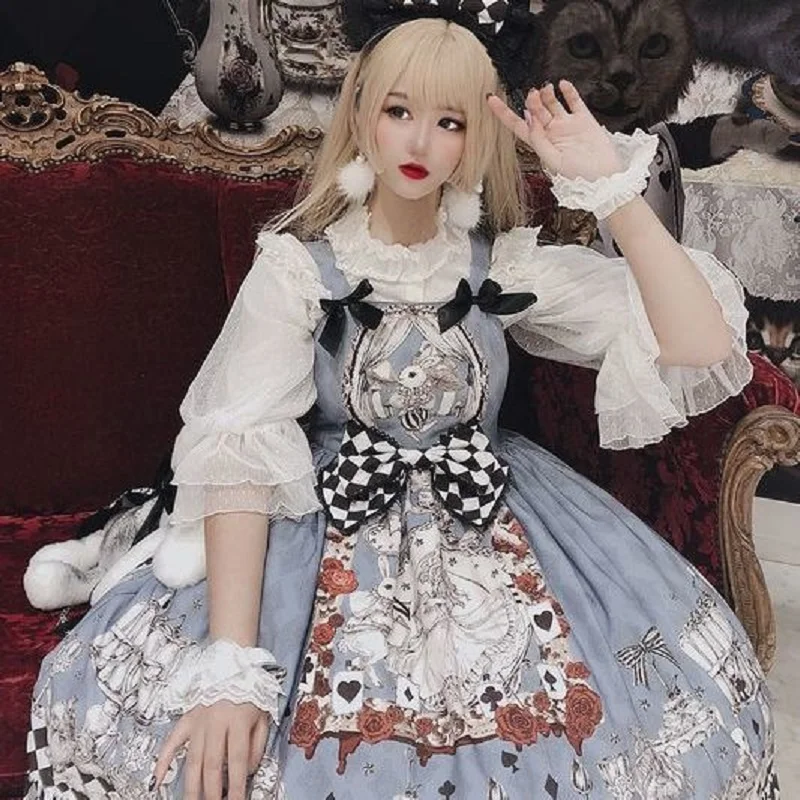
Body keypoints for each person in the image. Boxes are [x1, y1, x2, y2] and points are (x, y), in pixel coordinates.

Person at [26, 14, 779, 800]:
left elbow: (696, 342)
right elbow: (241, 452)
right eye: (399, 111)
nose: (420, 141)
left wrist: (613, 191)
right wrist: (231, 666)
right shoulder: (299, 270)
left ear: (473, 140)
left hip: (501, 515)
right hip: (320, 524)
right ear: (361, 117)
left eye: (449, 121)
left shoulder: (501, 266)